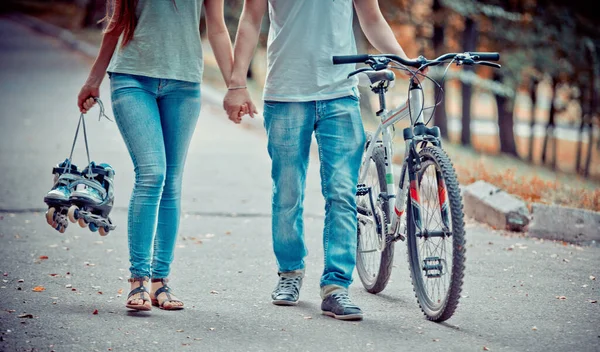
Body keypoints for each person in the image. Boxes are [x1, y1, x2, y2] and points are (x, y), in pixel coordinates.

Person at [223, 0, 425, 321]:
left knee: (342, 193)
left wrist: (402, 59)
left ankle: (336, 288)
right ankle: (290, 272)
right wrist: (236, 83)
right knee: (288, 192)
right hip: (285, 93)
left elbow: (371, 18)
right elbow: (250, 19)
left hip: (340, 95)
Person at [78, 0, 236, 311]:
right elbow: (116, 23)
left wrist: (236, 85)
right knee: (152, 173)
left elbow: (217, 26)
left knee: (172, 180)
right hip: (132, 77)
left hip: (184, 82)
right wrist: (93, 80)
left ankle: (160, 281)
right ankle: (138, 279)